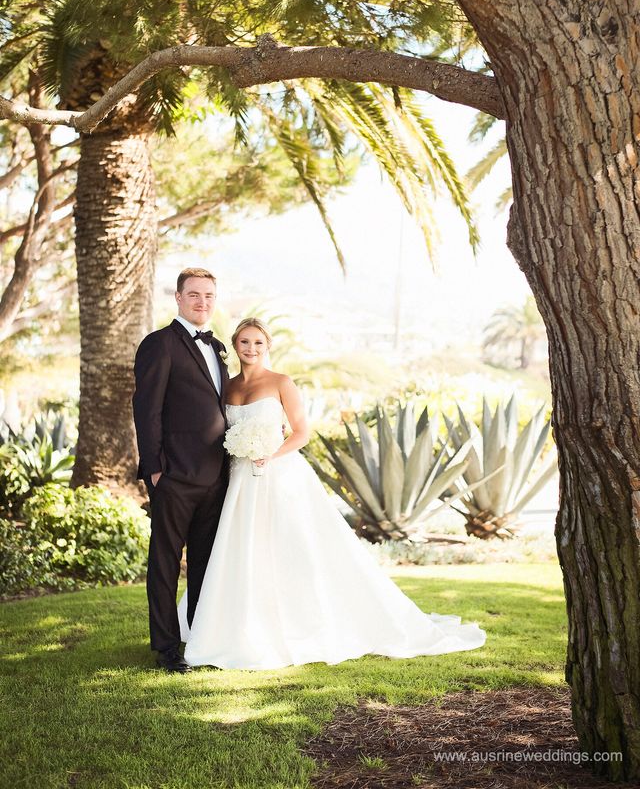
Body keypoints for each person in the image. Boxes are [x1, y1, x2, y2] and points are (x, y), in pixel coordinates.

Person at [178, 317, 486, 670]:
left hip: (279, 476)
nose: (251, 349)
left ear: (268, 347)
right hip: (240, 481)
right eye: (245, 343)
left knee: (291, 547)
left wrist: (270, 452)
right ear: (236, 346)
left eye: (258, 343)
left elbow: (301, 433)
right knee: (241, 547)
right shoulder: (228, 388)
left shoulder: (281, 382)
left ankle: (297, 623)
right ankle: (233, 624)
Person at [132, 268, 229, 673]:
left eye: (208, 295)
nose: (201, 302)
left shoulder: (219, 346)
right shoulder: (160, 344)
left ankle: (200, 638)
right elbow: (146, 410)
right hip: (174, 477)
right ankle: (167, 648)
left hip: (216, 477)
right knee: (166, 562)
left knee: (207, 562)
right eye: (194, 295)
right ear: (177, 297)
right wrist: (155, 470)